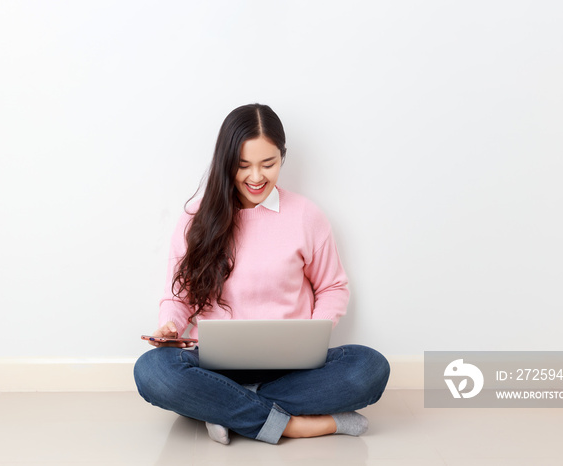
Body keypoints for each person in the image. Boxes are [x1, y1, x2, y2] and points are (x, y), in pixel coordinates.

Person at [134, 103, 390, 445]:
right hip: (212, 366)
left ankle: (226, 409)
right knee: (152, 371)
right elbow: (178, 297)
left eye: (268, 164)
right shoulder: (196, 219)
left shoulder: (305, 216)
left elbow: (332, 287)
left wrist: (311, 336)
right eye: (243, 166)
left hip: (291, 367)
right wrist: (170, 325)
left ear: (282, 157)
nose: (256, 178)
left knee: (370, 367)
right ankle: (293, 425)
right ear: (226, 163)